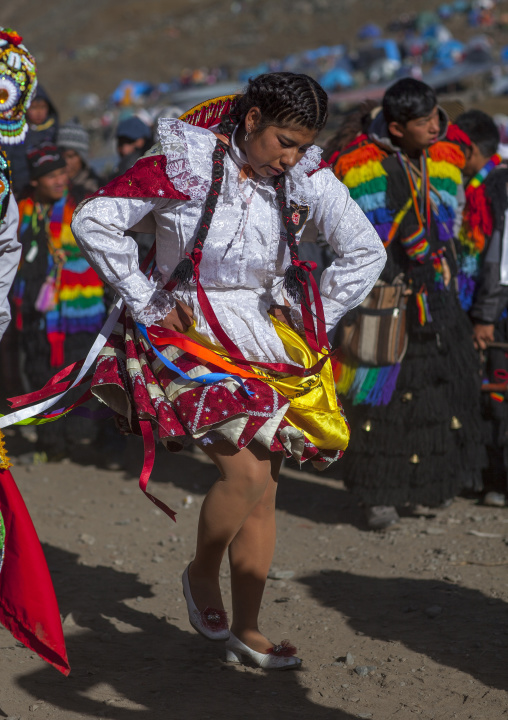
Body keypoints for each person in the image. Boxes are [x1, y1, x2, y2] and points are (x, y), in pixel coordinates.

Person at [70, 72, 385, 668]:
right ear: (252, 119)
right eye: (283, 141)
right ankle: (200, 574)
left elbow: (366, 249)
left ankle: (248, 627)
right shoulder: (184, 162)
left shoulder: (305, 176)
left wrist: (312, 314)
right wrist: (148, 297)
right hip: (186, 340)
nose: (291, 157)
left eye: (301, 145)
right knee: (243, 478)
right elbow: (94, 219)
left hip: (263, 339)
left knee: (264, 490)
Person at [332, 78, 485, 529]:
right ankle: (379, 495)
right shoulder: (358, 168)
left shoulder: (446, 156)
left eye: (437, 116)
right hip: (386, 296)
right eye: (424, 122)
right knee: (383, 402)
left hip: (438, 296)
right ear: (397, 129)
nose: (436, 126)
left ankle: (430, 487)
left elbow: (450, 225)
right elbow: (351, 241)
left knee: (440, 393)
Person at [13, 143, 106, 460]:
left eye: (61, 173)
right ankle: (49, 442)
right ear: (36, 180)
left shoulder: (83, 204)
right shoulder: (18, 210)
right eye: (50, 175)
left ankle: (82, 439)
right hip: (39, 310)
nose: (58, 181)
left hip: (81, 310)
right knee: (41, 372)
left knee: (80, 371)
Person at [454, 110, 508, 507]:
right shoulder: (486, 183)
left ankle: (497, 481)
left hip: (498, 310)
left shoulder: (495, 188)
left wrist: (485, 315)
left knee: (497, 394)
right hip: (492, 305)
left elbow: (498, 261)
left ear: (469, 149)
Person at [57, 119, 101, 200]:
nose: (66, 162)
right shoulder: (53, 188)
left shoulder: (96, 189)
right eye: (62, 156)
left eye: (71, 156)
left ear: (82, 158)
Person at [109, 115, 152, 179]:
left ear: (145, 140)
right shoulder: (116, 173)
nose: (124, 150)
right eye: (120, 143)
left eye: (130, 141)